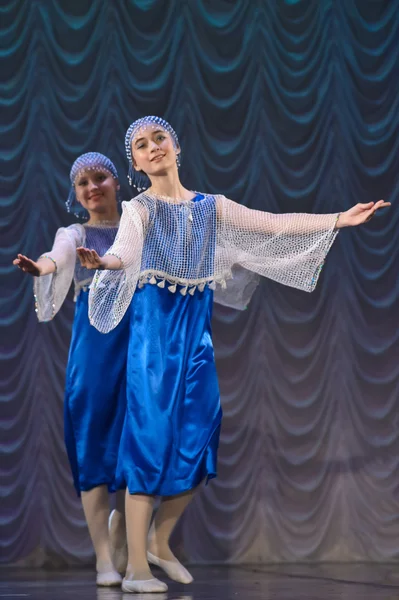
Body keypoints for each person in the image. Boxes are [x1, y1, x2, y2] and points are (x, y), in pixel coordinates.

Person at [76, 117, 391, 594]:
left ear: (176, 145)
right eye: (141, 145)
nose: (153, 147)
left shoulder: (212, 208)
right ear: (135, 163)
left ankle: (159, 540)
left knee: (202, 439)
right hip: (152, 343)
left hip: (194, 340)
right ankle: (136, 568)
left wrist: (338, 220)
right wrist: (104, 262)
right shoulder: (140, 209)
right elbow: (124, 251)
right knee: (148, 444)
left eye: (159, 138)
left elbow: (273, 225)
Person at [13, 153, 129, 587]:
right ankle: (104, 557)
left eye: (100, 177)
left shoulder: (139, 228)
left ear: (117, 182)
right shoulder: (76, 232)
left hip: (142, 345)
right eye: (82, 183)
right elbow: (58, 256)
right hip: (97, 351)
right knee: (92, 444)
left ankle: (133, 539)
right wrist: (41, 267)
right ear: (76, 194)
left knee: (151, 440)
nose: (92, 187)